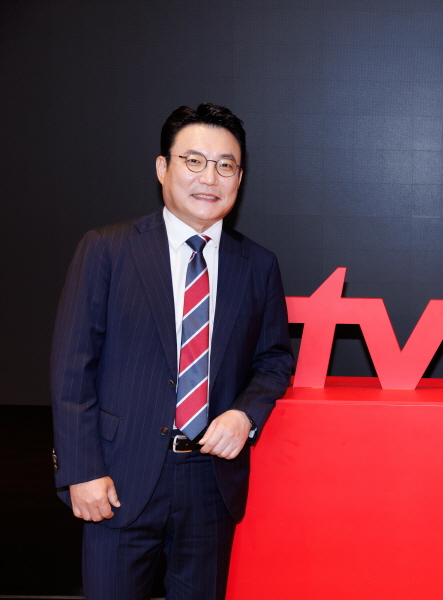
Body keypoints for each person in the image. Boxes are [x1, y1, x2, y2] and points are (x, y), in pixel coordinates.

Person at [50, 103, 294, 599]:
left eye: (225, 165)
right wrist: (81, 470)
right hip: (117, 477)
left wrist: (245, 415)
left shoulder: (258, 265)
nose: (210, 178)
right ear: (163, 167)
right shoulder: (107, 249)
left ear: (239, 177)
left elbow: (274, 359)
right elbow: (72, 368)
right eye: (194, 161)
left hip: (210, 483)